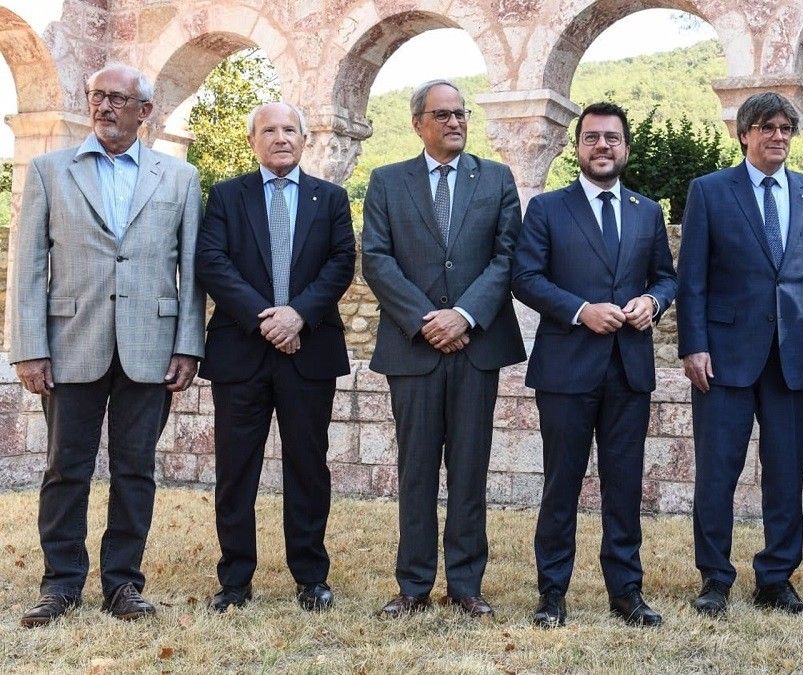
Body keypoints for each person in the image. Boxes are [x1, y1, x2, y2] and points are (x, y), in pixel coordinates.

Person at [10, 64, 205, 627]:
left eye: (118, 98)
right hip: (70, 343)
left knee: (135, 469)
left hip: (152, 345)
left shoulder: (179, 178)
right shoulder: (50, 171)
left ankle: (124, 585)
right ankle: (60, 585)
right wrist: (28, 346)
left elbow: (190, 270)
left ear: (145, 111)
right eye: (97, 96)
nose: (104, 107)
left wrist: (188, 344)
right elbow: (27, 268)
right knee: (65, 468)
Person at [362, 79, 526, 620]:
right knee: (415, 471)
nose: (455, 122)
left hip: (476, 346)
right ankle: (412, 584)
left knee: (469, 468)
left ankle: (466, 584)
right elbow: (377, 261)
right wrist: (425, 319)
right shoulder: (386, 182)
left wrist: (464, 316)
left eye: (461, 113)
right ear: (418, 123)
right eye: (443, 114)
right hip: (413, 349)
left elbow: (506, 258)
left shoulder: (497, 178)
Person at [512, 102, 678, 628]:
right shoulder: (546, 209)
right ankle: (552, 592)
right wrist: (581, 310)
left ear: (626, 148)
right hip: (566, 368)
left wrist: (654, 303)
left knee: (624, 484)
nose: (602, 146)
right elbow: (526, 277)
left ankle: (626, 590)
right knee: (561, 483)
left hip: (629, 368)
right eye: (591, 138)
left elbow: (666, 277)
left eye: (611, 138)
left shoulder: (647, 211)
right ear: (577, 147)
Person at [676, 92, 803, 617]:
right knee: (717, 471)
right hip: (722, 358)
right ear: (744, 133)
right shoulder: (709, 191)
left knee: (786, 470)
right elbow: (692, 277)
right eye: (768, 127)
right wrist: (693, 345)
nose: (778, 136)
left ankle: (776, 578)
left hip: (792, 357)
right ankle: (715, 578)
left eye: (786, 128)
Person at [196, 102, 356, 613]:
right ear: (253, 141)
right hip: (241, 350)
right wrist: (267, 317)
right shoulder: (225, 196)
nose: (280, 137)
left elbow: (340, 262)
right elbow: (212, 262)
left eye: (290, 128)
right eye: (269, 130)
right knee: (235, 469)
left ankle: (311, 577)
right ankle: (235, 581)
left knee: (308, 466)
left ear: (305, 139)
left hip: (308, 351)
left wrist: (298, 316)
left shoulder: (329, 198)